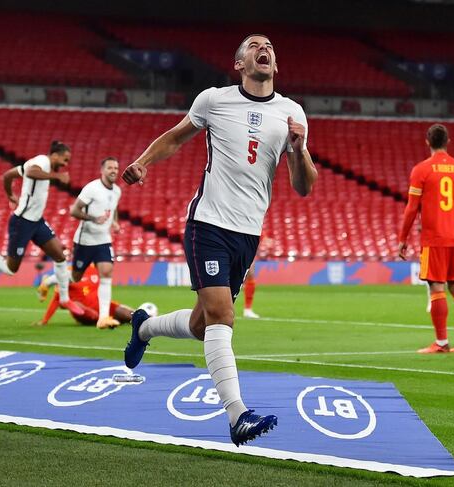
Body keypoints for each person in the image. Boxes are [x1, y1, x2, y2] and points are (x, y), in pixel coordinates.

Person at [121, 34, 317, 446]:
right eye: (253, 45)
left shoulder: (292, 112)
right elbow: (175, 136)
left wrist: (298, 149)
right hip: (208, 223)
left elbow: (303, 186)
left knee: (200, 323)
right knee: (223, 316)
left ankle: (143, 328)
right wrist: (142, 163)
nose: (263, 47)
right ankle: (237, 415)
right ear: (239, 64)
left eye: (269, 46)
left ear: (275, 65)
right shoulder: (214, 99)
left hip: (249, 233)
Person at [0, 140, 83, 317]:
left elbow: (8, 175)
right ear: (54, 155)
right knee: (11, 269)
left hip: (37, 221)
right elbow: (32, 172)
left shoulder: (43, 166)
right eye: (64, 160)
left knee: (60, 256)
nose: (65, 165)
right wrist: (57, 177)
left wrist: (10, 194)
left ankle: (64, 299)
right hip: (22, 222)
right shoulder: (41, 162)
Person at [398, 124, 454, 353]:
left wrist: (402, 239)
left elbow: (411, 209)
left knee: (436, 287)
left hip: (434, 238)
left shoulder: (421, 170)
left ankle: (441, 342)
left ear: (427, 142)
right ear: (448, 141)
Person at [38, 157, 122, 329]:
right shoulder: (92, 189)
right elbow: (74, 211)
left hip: (103, 240)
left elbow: (114, 208)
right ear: (102, 170)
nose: (113, 170)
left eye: (116, 168)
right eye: (110, 168)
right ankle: (49, 281)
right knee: (76, 276)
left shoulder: (117, 191)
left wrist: (114, 222)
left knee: (106, 273)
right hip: (85, 240)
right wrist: (93, 218)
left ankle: (103, 318)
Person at [34, 264, 135, 327]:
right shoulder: (70, 273)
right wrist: (45, 320)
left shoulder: (96, 270)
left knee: (127, 314)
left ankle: (147, 318)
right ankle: (108, 320)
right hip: (81, 308)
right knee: (85, 310)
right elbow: (56, 299)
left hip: (101, 306)